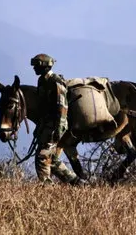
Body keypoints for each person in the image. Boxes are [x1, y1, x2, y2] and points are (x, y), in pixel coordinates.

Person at [30, 53, 84, 185]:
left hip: (55, 125)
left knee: (43, 157)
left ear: (45, 66)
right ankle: (77, 183)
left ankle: (47, 188)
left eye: (36, 65)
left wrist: (58, 130)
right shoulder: (42, 81)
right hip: (46, 125)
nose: (34, 69)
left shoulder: (55, 82)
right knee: (52, 159)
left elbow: (62, 108)